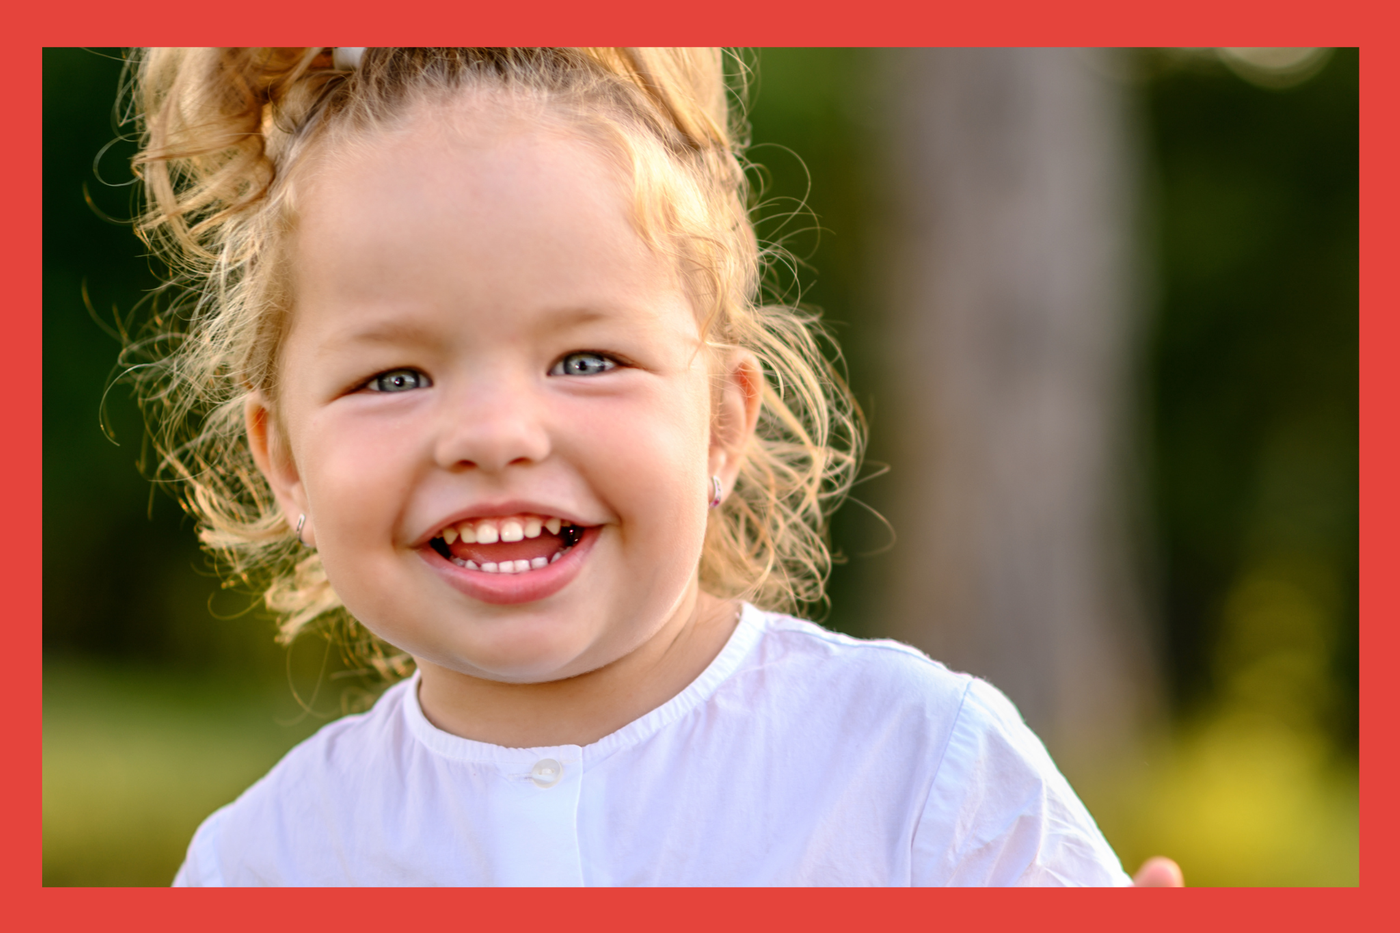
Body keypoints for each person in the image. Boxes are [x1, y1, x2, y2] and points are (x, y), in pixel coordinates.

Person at [126, 47, 1181, 887]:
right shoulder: (264, 867)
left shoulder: (914, 772)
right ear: (286, 463)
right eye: (394, 377)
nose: (495, 434)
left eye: (585, 360)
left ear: (721, 423)